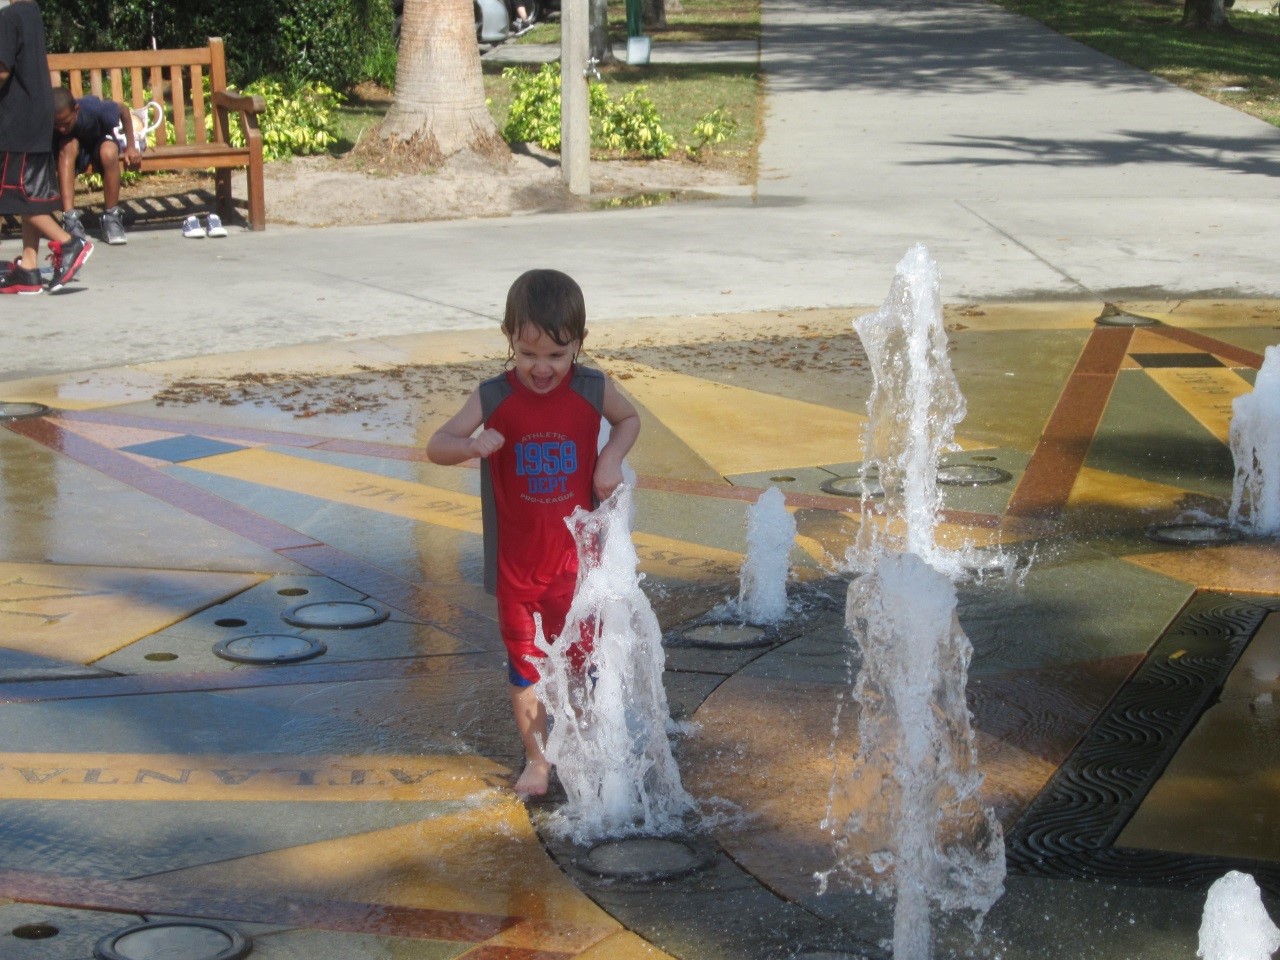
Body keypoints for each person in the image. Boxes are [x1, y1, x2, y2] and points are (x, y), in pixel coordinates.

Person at [427, 269, 641, 798]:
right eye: (528, 354)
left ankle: (589, 745)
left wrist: (609, 458)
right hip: (517, 571)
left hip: (577, 569)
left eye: (555, 355)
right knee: (524, 667)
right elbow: (438, 443)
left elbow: (629, 419)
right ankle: (538, 760)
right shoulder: (494, 396)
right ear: (509, 340)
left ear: (579, 345)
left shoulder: (592, 388)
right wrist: (469, 447)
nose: (541, 368)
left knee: (582, 663)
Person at [0, 0, 92, 294]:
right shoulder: (31, 12)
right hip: (38, 115)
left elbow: (2, 70)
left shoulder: (9, 17)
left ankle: (69, 244)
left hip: (18, 119)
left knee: (14, 196)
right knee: (31, 194)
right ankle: (28, 267)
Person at [52, 86, 139, 246]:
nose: (62, 129)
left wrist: (131, 147)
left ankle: (111, 217)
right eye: (57, 125)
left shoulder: (94, 109)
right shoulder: (50, 118)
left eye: (66, 123)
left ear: (76, 110)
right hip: (73, 150)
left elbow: (124, 110)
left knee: (109, 152)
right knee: (67, 144)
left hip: (98, 141)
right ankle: (70, 220)